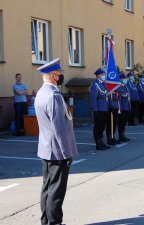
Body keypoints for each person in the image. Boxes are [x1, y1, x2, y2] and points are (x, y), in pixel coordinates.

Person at [35, 58, 78, 225]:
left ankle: (46, 221)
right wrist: (66, 153)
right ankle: (54, 223)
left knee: (47, 187)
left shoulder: (41, 92)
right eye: (59, 74)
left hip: (46, 148)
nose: (61, 77)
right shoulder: (53, 96)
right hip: (57, 151)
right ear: (53, 76)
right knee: (56, 191)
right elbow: (59, 128)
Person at [89, 68, 111, 150]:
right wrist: (95, 110)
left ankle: (101, 141)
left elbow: (107, 96)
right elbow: (93, 98)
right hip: (99, 109)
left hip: (105, 108)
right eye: (102, 74)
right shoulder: (95, 85)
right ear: (98, 75)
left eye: (104, 74)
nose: (104, 76)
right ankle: (98, 143)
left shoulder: (104, 84)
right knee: (97, 126)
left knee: (102, 126)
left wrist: (110, 106)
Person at [116, 73, 130, 142]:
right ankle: (120, 136)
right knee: (121, 123)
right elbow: (120, 96)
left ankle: (123, 135)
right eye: (124, 78)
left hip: (126, 107)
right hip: (121, 107)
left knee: (124, 123)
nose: (125, 80)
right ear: (120, 79)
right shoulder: (119, 86)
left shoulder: (125, 86)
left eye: (125, 78)